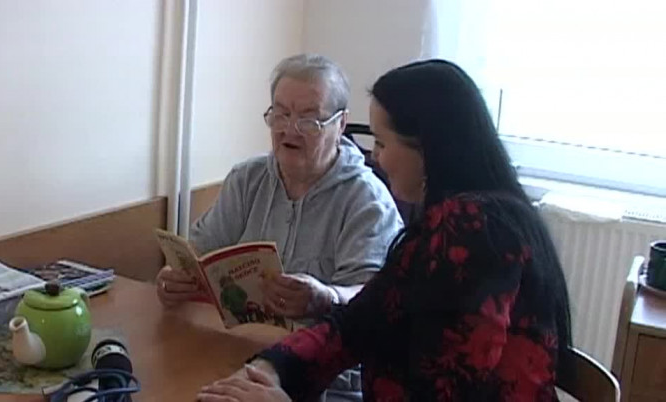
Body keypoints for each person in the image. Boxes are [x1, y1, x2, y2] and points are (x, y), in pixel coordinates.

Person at [196, 60, 573, 401]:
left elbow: (445, 391)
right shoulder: (443, 223)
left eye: (380, 142)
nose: (374, 156)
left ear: (427, 148)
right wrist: (271, 368)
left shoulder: (475, 232)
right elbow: (356, 323)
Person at [156, 54, 403, 400]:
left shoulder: (368, 200)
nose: (289, 129)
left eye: (308, 119)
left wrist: (326, 296)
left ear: (340, 124)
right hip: (237, 351)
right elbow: (198, 250)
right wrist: (173, 277)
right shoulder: (247, 178)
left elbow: (373, 300)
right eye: (281, 114)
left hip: (322, 379)